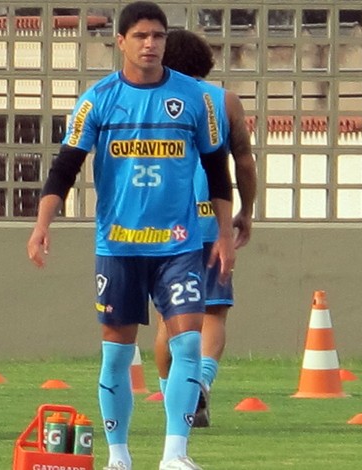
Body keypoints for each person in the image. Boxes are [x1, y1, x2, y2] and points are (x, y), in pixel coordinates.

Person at [27, 2, 235, 469]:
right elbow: (64, 168)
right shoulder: (97, 99)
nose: (150, 44)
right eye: (140, 36)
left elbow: (218, 171)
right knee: (118, 353)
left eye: (158, 36)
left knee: (186, 344)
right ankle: (118, 456)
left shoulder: (196, 100)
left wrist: (223, 234)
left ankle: (175, 455)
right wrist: (43, 225)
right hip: (118, 245)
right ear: (120, 41)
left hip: (179, 245)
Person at [153, 29, 257, 427]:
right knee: (212, 312)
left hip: (162, 226)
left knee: (169, 319)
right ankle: (200, 383)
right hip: (212, 221)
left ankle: (172, 397)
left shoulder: (149, 98)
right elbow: (244, 161)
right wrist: (247, 210)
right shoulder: (223, 100)